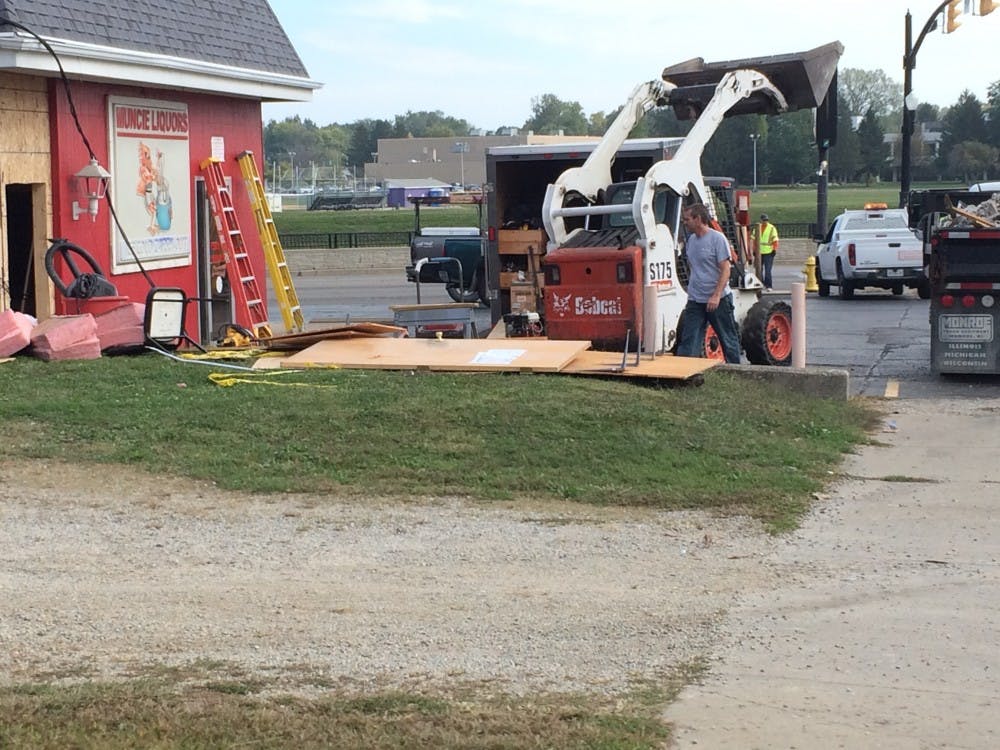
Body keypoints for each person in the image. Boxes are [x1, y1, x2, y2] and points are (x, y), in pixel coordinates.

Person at [676, 203, 741, 364]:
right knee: (689, 338)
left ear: (698, 219)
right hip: (695, 299)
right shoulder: (691, 241)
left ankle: (737, 372)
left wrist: (716, 295)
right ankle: (684, 372)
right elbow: (693, 267)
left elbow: (725, 269)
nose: (684, 223)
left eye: (687, 219)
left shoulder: (717, 239)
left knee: (727, 338)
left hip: (718, 300)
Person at [753, 213, 779, 289]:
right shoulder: (758, 228)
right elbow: (754, 240)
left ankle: (768, 285)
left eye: (766, 220)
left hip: (768, 251)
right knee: (759, 270)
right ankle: (760, 284)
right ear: (761, 220)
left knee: (768, 270)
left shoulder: (771, 228)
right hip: (759, 251)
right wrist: (754, 250)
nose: (765, 221)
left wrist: (774, 249)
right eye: (764, 220)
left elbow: (775, 240)